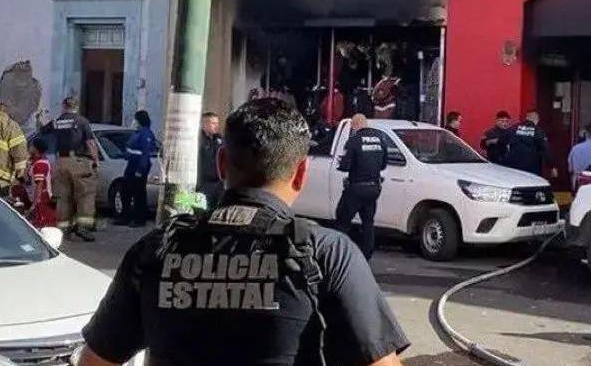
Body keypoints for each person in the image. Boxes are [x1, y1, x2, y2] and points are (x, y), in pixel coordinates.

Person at [77, 98, 409, 366]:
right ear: (301, 173)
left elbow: (95, 360)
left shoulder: (155, 250)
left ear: (221, 163)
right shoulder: (327, 253)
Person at [42, 96, 100, 242]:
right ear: (76, 107)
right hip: (78, 161)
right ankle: (83, 227)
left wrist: (40, 118)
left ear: (63, 106)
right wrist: (96, 159)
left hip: (61, 162)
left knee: (63, 197)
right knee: (85, 194)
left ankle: (63, 229)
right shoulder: (81, 121)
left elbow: (42, 130)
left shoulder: (57, 122)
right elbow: (90, 142)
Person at [335, 114, 389, 260]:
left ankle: (338, 254)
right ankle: (367, 255)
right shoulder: (380, 139)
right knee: (368, 222)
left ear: (354, 125)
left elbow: (345, 166)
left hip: (356, 188)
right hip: (373, 188)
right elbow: (384, 164)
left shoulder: (354, 141)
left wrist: (341, 164)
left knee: (342, 221)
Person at [116, 110, 157, 228]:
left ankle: (139, 219)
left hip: (138, 166)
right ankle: (126, 217)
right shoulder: (138, 133)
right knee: (125, 191)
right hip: (132, 164)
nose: (133, 121)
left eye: (135, 119)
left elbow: (145, 154)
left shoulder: (146, 134)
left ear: (139, 120)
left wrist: (140, 170)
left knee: (139, 194)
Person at [502, 110, 550, 177]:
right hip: (531, 167)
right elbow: (545, 148)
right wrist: (551, 165)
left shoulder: (513, 128)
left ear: (527, 117)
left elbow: (502, 141)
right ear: (537, 120)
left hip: (513, 166)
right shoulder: (538, 131)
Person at [27, 137, 58, 228]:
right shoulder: (39, 162)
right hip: (43, 198)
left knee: (43, 225)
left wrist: (35, 204)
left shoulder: (40, 164)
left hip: (43, 199)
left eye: (31, 146)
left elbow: (39, 185)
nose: (29, 148)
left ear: (36, 149)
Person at [198, 112, 224, 209]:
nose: (216, 126)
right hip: (203, 184)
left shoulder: (220, 139)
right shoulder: (198, 140)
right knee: (203, 210)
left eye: (217, 123)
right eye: (213, 123)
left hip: (218, 184)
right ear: (204, 124)